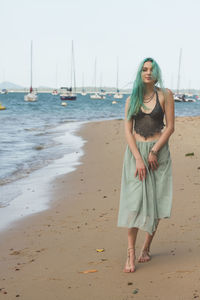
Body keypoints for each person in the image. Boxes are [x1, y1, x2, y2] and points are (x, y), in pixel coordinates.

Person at [117, 57, 174, 273]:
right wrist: (139, 158)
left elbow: (170, 127)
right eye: (144, 69)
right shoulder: (132, 99)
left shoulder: (165, 95)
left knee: (157, 202)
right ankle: (130, 253)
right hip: (135, 154)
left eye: (151, 69)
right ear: (140, 74)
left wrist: (154, 150)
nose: (148, 72)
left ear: (156, 72)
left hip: (159, 152)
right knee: (134, 204)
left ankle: (146, 247)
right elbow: (127, 131)